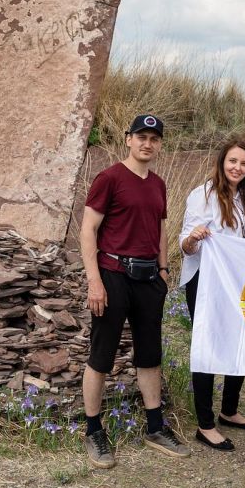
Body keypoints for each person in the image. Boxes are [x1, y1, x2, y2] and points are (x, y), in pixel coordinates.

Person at [80, 113, 189, 469]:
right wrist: (94, 280)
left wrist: (162, 269)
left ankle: (155, 427)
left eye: (154, 138)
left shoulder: (158, 185)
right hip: (112, 274)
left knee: (150, 354)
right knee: (102, 353)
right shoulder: (109, 178)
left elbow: (159, 230)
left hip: (148, 279)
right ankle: (93, 431)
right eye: (141, 136)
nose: (147, 143)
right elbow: (88, 231)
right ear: (128, 139)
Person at [179, 137, 245, 451]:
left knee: (238, 343)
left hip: (238, 283)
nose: (238, 168)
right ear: (221, 162)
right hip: (205, 280)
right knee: (208, 344)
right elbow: (185, 246)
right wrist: (194, 237)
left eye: (243, 163)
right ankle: (205, 424)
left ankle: (229, 410)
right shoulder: (203, 195)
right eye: (233, 161)